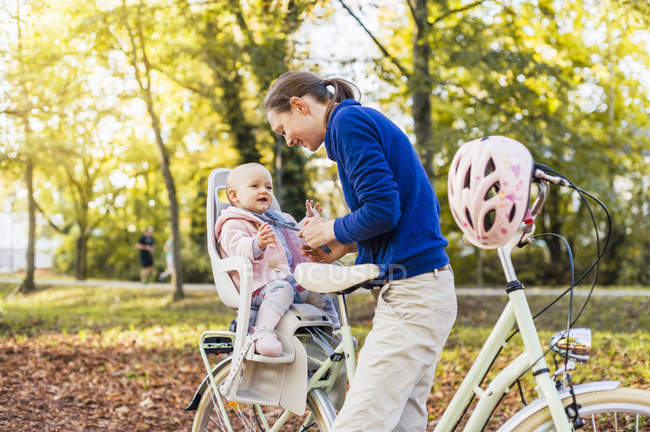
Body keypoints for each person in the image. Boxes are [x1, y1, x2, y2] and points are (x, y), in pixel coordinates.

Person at [265, 71, 457, 432]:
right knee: (401, 422)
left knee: (361, 422)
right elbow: (396, 216)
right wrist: (343, 244)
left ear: (299, 105)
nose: (287, 140)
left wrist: (331, 228)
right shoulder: (353, 123)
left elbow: (383, 208)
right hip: (425, 288)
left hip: (412, 294)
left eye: (283, 129)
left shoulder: (347, 123)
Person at [215, 162, 340, 357]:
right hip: (257, 285)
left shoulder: (275, 219)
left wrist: (307, 223)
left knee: (318, 291)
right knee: (281, 290)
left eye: (268, 187)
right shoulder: (233, 222)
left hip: (285, 279)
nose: (264, 190)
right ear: (233, 195)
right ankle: (261, 333)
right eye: (255, 186)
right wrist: (257, 244)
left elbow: (290, 240)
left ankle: (335, 334)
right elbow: (236, 249)